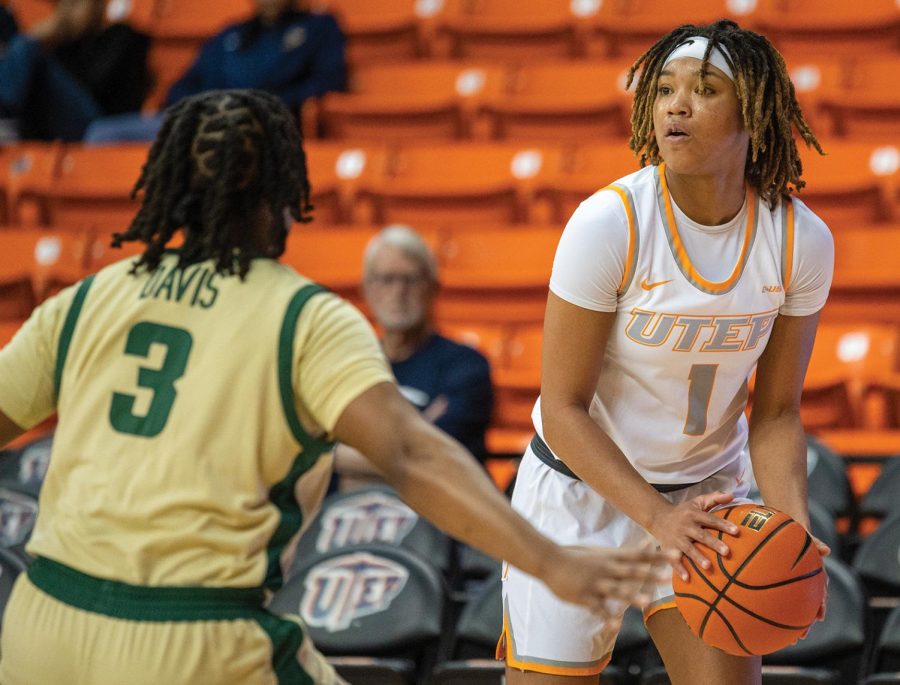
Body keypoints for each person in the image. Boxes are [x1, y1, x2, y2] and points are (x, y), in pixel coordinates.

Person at [0, 89, 671, 685]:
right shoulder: (305, 316)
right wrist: (550, 562)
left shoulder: (88, 299)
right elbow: (411, 456)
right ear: (283, 195)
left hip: (42, 622)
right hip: (192, 636)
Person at [499, 20, 835, 685]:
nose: (676, 105)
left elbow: (775, 413)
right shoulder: (610, 223)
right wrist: (656, 518)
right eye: (665, 90)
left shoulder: (800, 241)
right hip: (579, 493)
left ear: (755, 117)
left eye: (704, 89)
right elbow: (563, 408)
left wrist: (791, 527)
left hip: (705, 503)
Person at [334, 225, 494, 491]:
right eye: (387, 279)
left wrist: (343, 458)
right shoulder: (348, 366)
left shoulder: (467, 366)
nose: (398, 292)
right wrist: (421, 428)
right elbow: (315, 453)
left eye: (410, 279)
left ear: (433, 288)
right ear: (367, 288)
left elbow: (438, 456)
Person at [84, 0, 345, 143]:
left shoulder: (319, 28)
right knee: (102, 133)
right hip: (200, 117)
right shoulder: (231, 34)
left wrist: (263, 107)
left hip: (254, 124)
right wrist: (198, 109)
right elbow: (181, 87)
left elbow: (326, 83)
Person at [0, 0, 149, 141]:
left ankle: (3, 113)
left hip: (99, 123)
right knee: (21, 50)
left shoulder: (121, 36)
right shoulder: (60, 43)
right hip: (51, 124)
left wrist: (42, 37)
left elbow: (96, 83)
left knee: (25, 45)